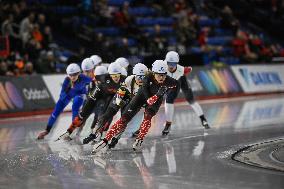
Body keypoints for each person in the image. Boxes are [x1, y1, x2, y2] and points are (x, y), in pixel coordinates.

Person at [92, 60, 178, 153]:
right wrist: (157, 95)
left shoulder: (168, 80)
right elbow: (144, 92)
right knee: (124, 119)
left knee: (147, 117)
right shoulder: (145, 77)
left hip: (154, 100)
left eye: (163, 75)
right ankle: (105, 140)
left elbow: (177, 84)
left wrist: (170, 95)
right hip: (142, 97)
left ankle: (140, 139)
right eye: (158, 75)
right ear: (153, 73)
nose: (161, 77)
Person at [82, 63, 148, 147]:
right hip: (121, 96)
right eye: (139, 77)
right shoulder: (127, 80)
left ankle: (115, 138)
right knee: (107, 115)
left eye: (143, 77)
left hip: (129, 100)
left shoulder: (147, 83)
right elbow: (119, 95)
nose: (141, 80)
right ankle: (94, 133)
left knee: (124, 120)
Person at [57, 62, 126, 140]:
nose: (116, 78)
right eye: (113, 76)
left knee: (107, 114)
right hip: (99, 93)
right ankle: (70, 130)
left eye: (117, 76)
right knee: (83, 113)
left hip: (110, 96)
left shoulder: (124, 80)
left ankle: (99, 132)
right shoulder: (102, 79)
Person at [37, 63, 92, 139]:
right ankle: (47, 130)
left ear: (79, 73)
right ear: (68, 74)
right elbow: (62, 96)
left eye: (74, 74)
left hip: (80, 94)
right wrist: (68, 90)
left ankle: (72, 130)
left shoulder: (83, 77)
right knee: (56, 111)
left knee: (75, 107)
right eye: (70, 75)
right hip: (68, 95)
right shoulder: (67, 80)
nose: (72, 77)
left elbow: (94, 81)